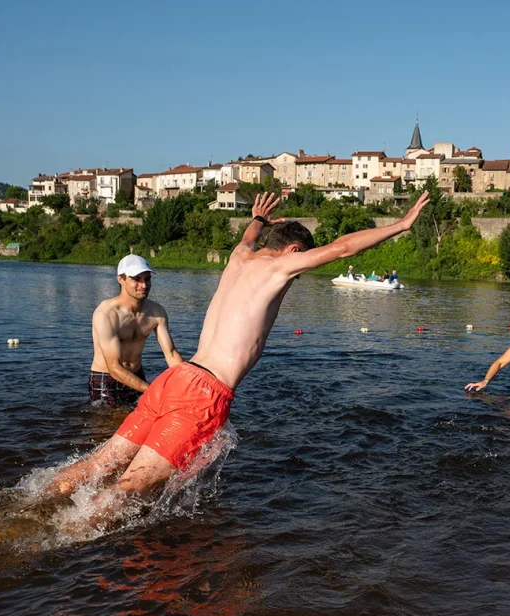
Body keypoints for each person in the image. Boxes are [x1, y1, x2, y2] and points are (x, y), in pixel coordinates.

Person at [47, 191, 430, 519]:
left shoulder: (239, 255)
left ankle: (29, 505)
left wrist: (258, 218)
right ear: (294, 251)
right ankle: (39, 542)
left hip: (174, 379)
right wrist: (402, 224)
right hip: (203, 393)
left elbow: (249, 236)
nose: (296, 275)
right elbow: (342, 248)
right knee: (129, 489)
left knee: (98, 465)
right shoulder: (280, 265)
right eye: (300, 265)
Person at [88, 255, 183, 407]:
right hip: (107, 378)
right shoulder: (106, 314)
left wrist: (188, 382)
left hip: (137, 376)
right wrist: (152, 390)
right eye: (137, 279)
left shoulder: (156, 312)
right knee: (107, 428)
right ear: (121, 279)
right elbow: (114, 367)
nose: (144, 285)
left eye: (147, 279)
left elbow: (171, 355)